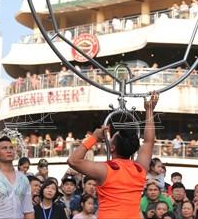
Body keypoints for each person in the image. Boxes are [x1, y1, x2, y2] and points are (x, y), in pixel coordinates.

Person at [68, 91, 160, 219]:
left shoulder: (105, 170)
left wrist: (93, 138)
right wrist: (149, 110)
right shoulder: (139, 169)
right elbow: (149, 142)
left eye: (112, 138)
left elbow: (73, 160)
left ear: (112, 147)